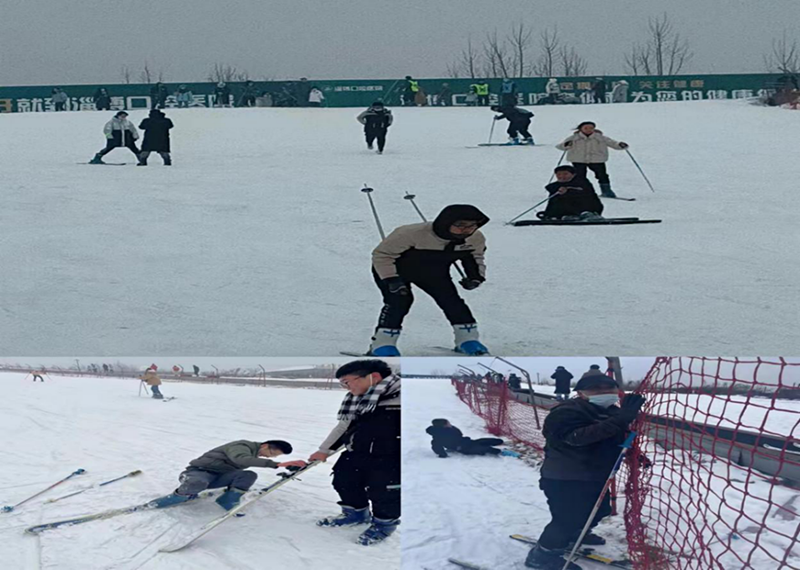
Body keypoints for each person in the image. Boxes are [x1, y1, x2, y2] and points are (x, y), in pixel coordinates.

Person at [524, 375, 645, 569]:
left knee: (600, 510)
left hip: (595, 475)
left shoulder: (612, 412)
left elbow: (615, 439)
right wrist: (622, 418)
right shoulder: (565, 412)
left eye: (610, 388)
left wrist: (635, 456)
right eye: (596, 389)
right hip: (566, 477)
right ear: (580, 393)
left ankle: (575, 534)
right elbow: (576, 438)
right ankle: (542, 556)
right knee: (566, 519)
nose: (604, 392)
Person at [369, 204, 490, 356]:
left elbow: (474, 257)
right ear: (446, 223)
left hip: (433, 272)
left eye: (472, 225)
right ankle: (382, 344)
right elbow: (382, 255)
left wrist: (475, 277)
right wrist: (391, 279)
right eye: (460, 225)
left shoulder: (475, 238)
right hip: (396, 270)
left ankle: (467, 340)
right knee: (399, 301)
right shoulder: (410, 233)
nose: (466, 230)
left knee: (451, 300)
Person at [310, 360, 401, 545]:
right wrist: (323, 451)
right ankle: (356, 514)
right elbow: (344, 426)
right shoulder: (358, 400)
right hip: (357, 452)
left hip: (391, 458)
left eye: (347, 381)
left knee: (384, 493)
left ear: (373, 377)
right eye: (342, 383)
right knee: (343, 481)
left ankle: (384, 525)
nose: (346, 388)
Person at [150, 440, 305, 510]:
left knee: (248, 475)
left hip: (220, 476)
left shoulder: (255, 453)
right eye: (272, 453)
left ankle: (227, 500)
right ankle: (178, 496)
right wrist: (276, 465)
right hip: (198, 472)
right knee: (198, 481)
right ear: (265, 445)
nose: (271, 457)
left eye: (275, 457)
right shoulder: (242, 446)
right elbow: (239, 459)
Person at [556, 121, 629, 198]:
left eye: (591, 128)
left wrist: (620, 145)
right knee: (580, 176)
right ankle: (582, 191)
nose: (589, 130)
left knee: (602, 175)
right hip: (578, 160)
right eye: (586, 128)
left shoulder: (600, 137)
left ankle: (607, 191)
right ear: (581, 129)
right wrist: (565, 145)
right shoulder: (574, 138)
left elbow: (613, 143)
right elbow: (560, 146)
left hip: (597, 160)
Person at [539, 165, 604, 221]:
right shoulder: (554, 186)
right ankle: (562, 215)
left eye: (565, 174)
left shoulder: (583, 182)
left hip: (587, 207)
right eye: (559, 174)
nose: (562, 176)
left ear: (573, 174)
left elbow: (585, 191)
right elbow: (551, 193)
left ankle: (587, 214)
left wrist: (568, 190)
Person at [426, 419, 504, 457]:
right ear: (443, 426)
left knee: (483, 441)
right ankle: (502, 452)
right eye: (448, 423)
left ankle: (499, 441)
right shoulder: (438, 437)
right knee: (484, 448)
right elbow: (436, 446)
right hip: (462, 448)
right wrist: (442, 454)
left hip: (466, 442)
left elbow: (459, 434)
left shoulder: (450, 429)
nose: (450, 424)